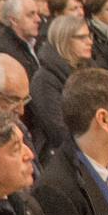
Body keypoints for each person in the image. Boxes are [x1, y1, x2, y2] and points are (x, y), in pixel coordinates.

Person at [27, 15, 93, 152]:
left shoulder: (88, 69)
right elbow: (58, 131)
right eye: (82, 38)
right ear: (64, 40)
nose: (90, 42)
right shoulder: (44, 79)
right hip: (65, 153)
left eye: (89, 36)